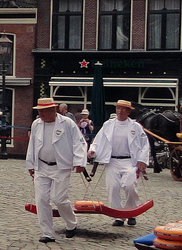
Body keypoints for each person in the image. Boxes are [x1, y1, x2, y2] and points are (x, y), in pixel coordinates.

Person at [26, 98, 85, 242]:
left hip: (61, 166)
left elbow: (79, 142)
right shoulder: (36, 124)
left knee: (59, 199)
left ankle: (71, 224)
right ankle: (47, 233)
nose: (40, 114)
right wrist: (30, 164)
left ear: (53, 110)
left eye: (43, 111)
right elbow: (32, 144)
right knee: (41, 200)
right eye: (39, 111)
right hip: (41, 166)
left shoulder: (67, 123)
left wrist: (79, 161)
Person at [88, 99, 151, 221]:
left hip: (129, 161)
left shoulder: (136, 126)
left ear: (128, 112)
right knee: (113, 187)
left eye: (123, 109)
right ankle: (118, 215)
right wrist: (93, 150)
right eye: (118, 108)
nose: (120, 111)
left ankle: (130, 212)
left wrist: (142, 160)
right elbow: (98, 139)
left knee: (129, 186)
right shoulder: (108, 124)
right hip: (112, 161)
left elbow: (144, 144)